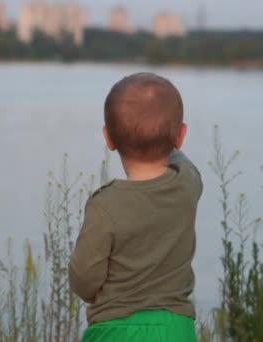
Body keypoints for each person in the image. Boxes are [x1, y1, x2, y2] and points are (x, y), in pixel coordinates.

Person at [68, 72, 202, 341]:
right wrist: (167, 135)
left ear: (109, 139)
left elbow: (84, 280)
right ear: (181, 135)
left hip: (116, 331)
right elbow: (180, 158)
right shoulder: (188, 183)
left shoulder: (105, 206)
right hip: (176, 330)